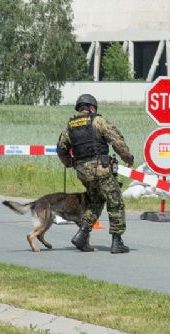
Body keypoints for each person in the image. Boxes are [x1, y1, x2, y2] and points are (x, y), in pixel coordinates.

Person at [56, 94, 134, 254]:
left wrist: (69, 163)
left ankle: (82, 235)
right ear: (92, 108)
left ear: (80, 108)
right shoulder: (98, 121)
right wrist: (128, 158)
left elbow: (61, 149)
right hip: (102, 170)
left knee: (95, 202)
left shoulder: (69, 127)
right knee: (115, 202)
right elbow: (117, 140)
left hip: (83, 173)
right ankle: (117, 241)